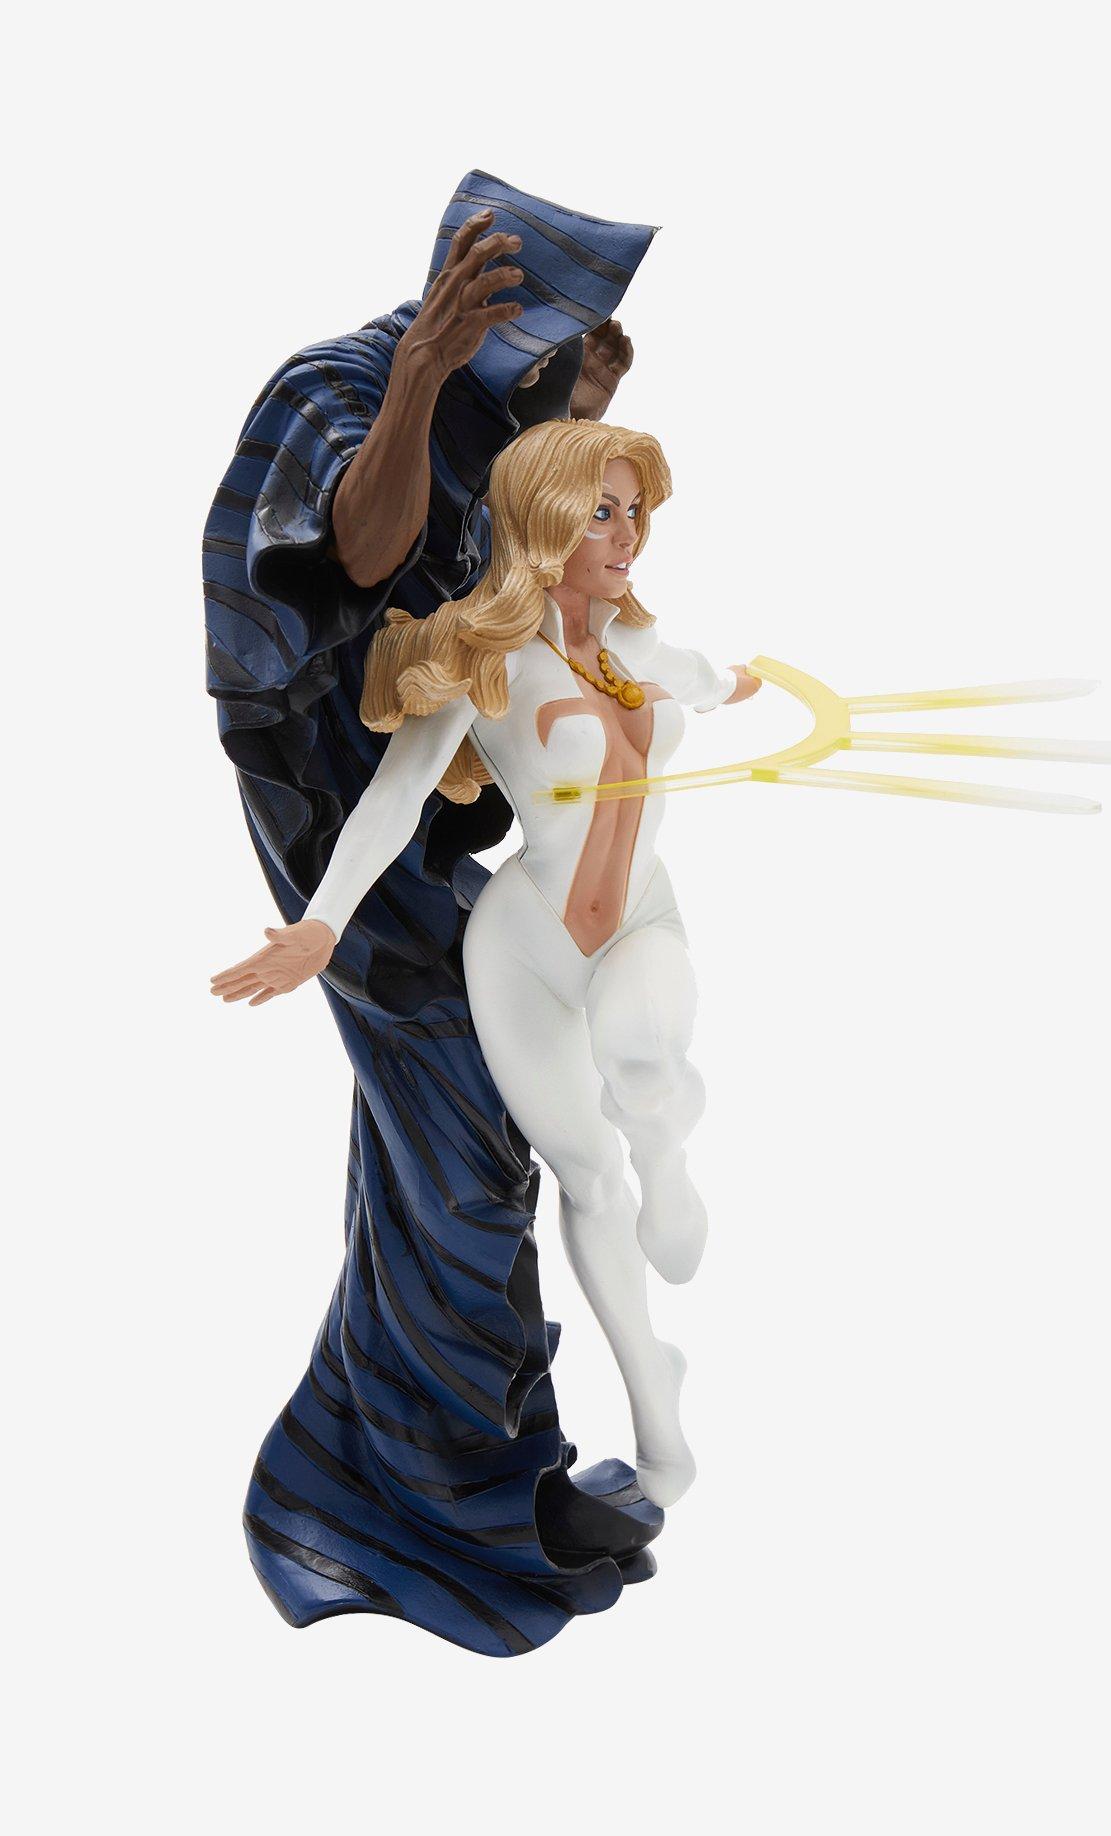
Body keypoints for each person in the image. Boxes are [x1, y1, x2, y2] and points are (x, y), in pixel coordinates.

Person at [206, 176, 676, 1657]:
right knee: (466, 1115)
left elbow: (514, 592)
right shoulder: (344, 388)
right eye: (566, 342)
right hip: (321, 792)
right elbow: (355, 551)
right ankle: (462, 1493)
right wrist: (418, 380)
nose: (577, 372)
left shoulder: (496, 421)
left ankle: (355, 1472)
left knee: (429, 1122)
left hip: (406, 804)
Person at [216, 417, 760, 1515]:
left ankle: (668, 1157)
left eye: (635, 512)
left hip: (638, 921)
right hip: (522, 945)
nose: (627, 535)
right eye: (601, 512)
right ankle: (656, 1403)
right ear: (544, 520)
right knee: (584, 1178)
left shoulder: (641, 647)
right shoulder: (489, 661)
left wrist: (762, 687)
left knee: (644, 1059)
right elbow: (395, 797)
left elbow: (712, 681)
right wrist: (322, 924)